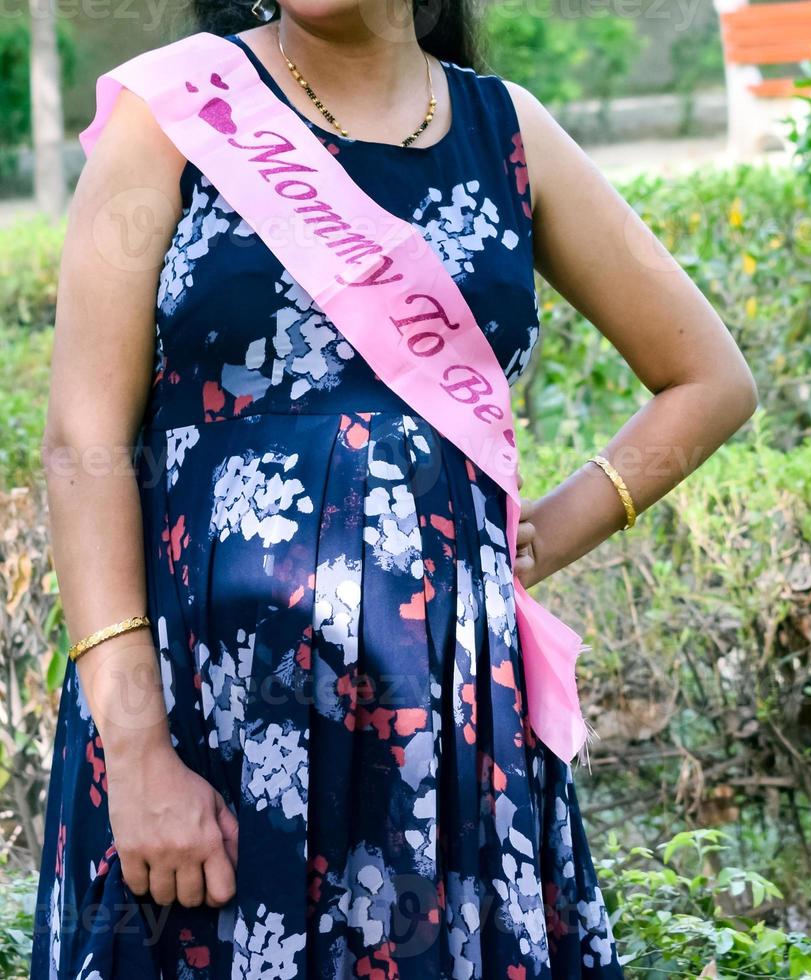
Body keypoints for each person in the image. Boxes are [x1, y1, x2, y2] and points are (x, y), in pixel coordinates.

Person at [30, 1, 759, 977]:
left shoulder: (507, 131)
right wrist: (137, 750)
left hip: (438, 718)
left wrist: (541, 531)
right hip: (206, 723)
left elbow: (708, 380)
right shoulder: (173, 111)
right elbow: (83, 443)